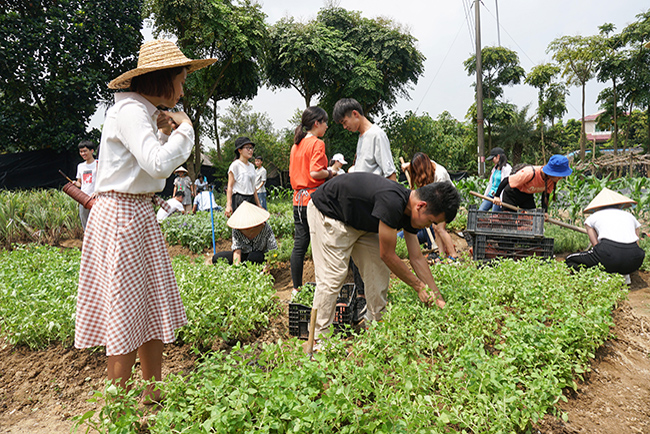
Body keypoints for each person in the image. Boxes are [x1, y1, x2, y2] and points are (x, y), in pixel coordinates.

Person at [74, 39, 217, 402]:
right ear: (162, 79)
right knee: (124, 310)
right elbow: (156, 164)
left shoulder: (142, 111)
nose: (183, 89)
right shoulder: (130, 112)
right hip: (122, 214)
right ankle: (119, 407)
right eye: (181, 80)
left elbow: (147, 163)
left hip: (135, 212)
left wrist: (166, 131)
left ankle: (153, 396)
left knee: (149, 306)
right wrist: (184, 129)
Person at [307, 173, 460, 342]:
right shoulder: (392, 202)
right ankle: (318, 339)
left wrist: (437, 297)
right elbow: (387, 254)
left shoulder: (411, 211)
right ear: (421, 206)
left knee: (378, 271)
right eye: (431, 220)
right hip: (330, 212)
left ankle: (375, 327)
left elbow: (416, 258)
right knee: (333, 277)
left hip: (359, 221)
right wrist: (418, 286)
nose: (429, 226)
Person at [289, 107, 332, 299]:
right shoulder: (317, 144)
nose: (327, 126)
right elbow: (315, 173)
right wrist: (331, 173)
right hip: (313, 199)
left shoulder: (296, 145)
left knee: (300, 244)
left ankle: (296, 288)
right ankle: (324, 285)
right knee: (320, 243)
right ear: (317, 123)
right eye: (325, 122)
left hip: (298, 199)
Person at [565, 188, 645, 284]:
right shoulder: (630, 216)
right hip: (635, 259)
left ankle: (601, 278)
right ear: (620, 204)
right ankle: (624, 276)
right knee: (621, 257)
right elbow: (637, 243)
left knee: (570, 259)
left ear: (598, 206)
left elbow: (595, 245)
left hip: (608, 254)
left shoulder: (593, 217)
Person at [401, 152, 458, 259]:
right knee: (435, 227)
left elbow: (442, 198)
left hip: (448, 202)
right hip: (438, 200)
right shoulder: (427, 164)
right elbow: (417, 162)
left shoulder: (439, 174)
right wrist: (406, 165)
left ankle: (453, 255)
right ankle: (441, 255)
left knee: (440, 228)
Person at [333, 98, 397, 181]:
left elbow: (390, 173)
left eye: (344, 122)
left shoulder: (377, 134)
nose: (344, 127)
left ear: (355, 114)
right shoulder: (362, 137)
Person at [494, 154, 572, 212]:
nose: (560, 178)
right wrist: (497, 196)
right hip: (512, 193)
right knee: (510, 220)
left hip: (527, 195)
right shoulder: (529, 173)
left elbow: (546, 195)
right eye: (559, 176)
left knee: (530, 219)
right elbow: (506, 180)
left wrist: (545, 212)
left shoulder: (551, 180)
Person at [212, 201, 277, 266]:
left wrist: (268, 265)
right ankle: (245, 267)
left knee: (254, 256)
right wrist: (237, 268)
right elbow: (237, 250)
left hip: (259, 256)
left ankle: (250, 267)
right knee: (217, 258)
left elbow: (273, 250)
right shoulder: (237, 228)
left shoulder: (265, 228)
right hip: (243, 255)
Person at [225, 136, 260, 218]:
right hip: (239, 200)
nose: (250, 150)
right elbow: (229, 187)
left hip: (251, 199)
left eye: (251, 148)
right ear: (239, 150)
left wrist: (258, 204)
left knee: (255, 225)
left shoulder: (251, 166)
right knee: (241, 227)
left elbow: (253, 187)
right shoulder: (235, 165)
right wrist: (228, 205)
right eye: (247, 148)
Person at [479, 147, 512, 212]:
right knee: (481, 211)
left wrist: (500, 197)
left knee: (494, 215)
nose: (492, 160)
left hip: (499, 197)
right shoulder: (495, 168)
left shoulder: (507, 168)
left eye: (493, 158)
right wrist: (485, 195)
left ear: (498, 156)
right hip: (491, 194)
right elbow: (490, 183)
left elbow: (507, 184)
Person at [74, 140, 98, 230]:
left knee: (97, 223)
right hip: (83, 198)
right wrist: (75, 183)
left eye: (85, 151)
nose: (82, 153)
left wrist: (97, 192)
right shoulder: (80, 166)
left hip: (96, 198)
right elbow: (80, 182)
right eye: (81, 151)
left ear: (92, 151)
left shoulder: (98, 164)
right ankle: (88, 242)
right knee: (85, 224)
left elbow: (103, 181)